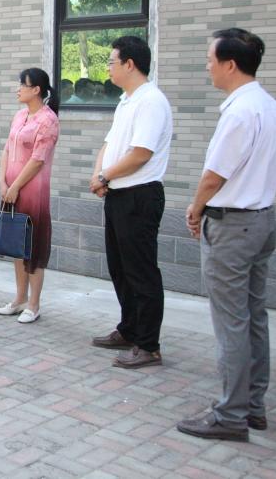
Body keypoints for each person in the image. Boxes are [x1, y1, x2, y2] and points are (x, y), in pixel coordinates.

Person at [176, 29, 276, 442]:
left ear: (230, 64)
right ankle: (252, 405)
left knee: (232, 322)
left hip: (234, 226)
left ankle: (231, 414)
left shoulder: (240, 112)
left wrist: (196, 207)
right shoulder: (269, 106)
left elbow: (214, 175)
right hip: (261, 221)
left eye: (210, 60)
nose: (207, 66)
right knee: (254, 316)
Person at [88, 36, 173, 369]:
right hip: (118, 193)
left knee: (141, 272)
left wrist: (105, 176)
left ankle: (148, 345)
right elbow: (109, 144)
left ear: (129, 64)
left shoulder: (151, 101)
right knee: (120, 268)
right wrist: (100, 175)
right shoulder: (126, 100)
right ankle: (129, 329)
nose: (108, 68)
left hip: (139, 196)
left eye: (112, 62)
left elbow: (141, 154)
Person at [0, 68, 60, 324]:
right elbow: (7, 149)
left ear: (36, 90)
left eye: (23, 84)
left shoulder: (48, 120)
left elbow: (37, 160)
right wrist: (3, 181)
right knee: (17, 245)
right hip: (10, 190)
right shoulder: (20, 115)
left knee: (34, 247)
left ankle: (34, 305)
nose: (18, 88)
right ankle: (19, 299)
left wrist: (15, 186)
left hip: (32, 192)